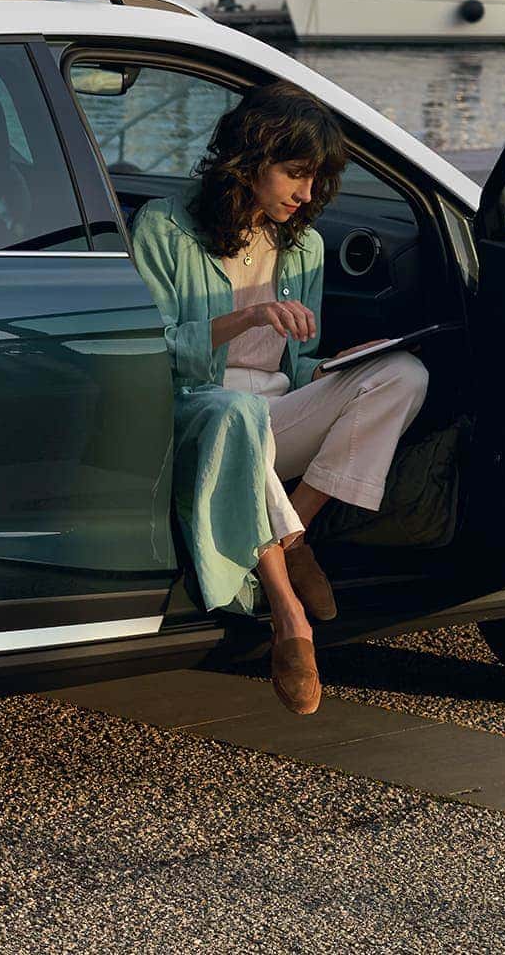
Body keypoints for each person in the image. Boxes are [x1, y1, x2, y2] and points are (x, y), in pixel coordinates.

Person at [131, 82, 428, 715]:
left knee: (404, 373)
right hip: (194, 410)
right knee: (236, 412)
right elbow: (148, 353)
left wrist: (339, 368)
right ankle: (288, 610)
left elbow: (296, 365)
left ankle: (296, 531)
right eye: (296, 174)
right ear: (250, 160)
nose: (308, 194)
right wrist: (247, 317)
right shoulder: (165, 227)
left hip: (276, 414)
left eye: (318, 179)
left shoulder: (306, 247)